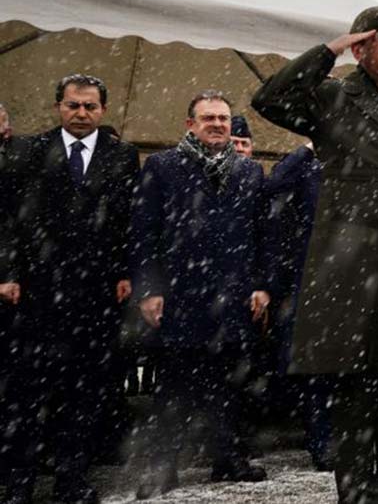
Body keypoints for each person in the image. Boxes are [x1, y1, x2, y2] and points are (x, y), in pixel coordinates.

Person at [252, 6, 378, 504]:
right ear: (362, 47)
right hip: (350, 264)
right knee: (351, 389)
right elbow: (269, 97)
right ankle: (355, 491)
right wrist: (330, 50)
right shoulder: (330, 98)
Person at [0, 75, 140, 504]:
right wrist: (7, 271)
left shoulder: (122, 155)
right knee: (27, 394)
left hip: (96, 296)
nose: (81, 113)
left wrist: (126, 272)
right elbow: (5, 217)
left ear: (103, 110)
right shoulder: (26, 150)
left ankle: (71, 479)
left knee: (85, 392)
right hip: (36, 293)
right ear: (58, 106)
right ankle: (19, 482)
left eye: (90, 106)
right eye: (73, 105)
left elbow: (128, 221)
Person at [131, 90, 272, 499]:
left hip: (233, 296)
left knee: (228, 386)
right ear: (189, 123)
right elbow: (143, 232)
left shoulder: (248, 172)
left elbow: (263, 234)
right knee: (174, 388)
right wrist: (149, 289)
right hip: (180, 295)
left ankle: (227, 458)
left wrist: (263, 285)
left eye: (224, 119)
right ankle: (162, 465)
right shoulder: (162, 166)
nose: (217, 124)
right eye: (208, 117)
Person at [263, 142, 333, 471]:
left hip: (355, 277)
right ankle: (322, 441)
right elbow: (273, 184)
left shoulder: (362, 161)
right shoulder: (307, 165)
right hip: (312, 279)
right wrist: (307, 147)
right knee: (318, 367)